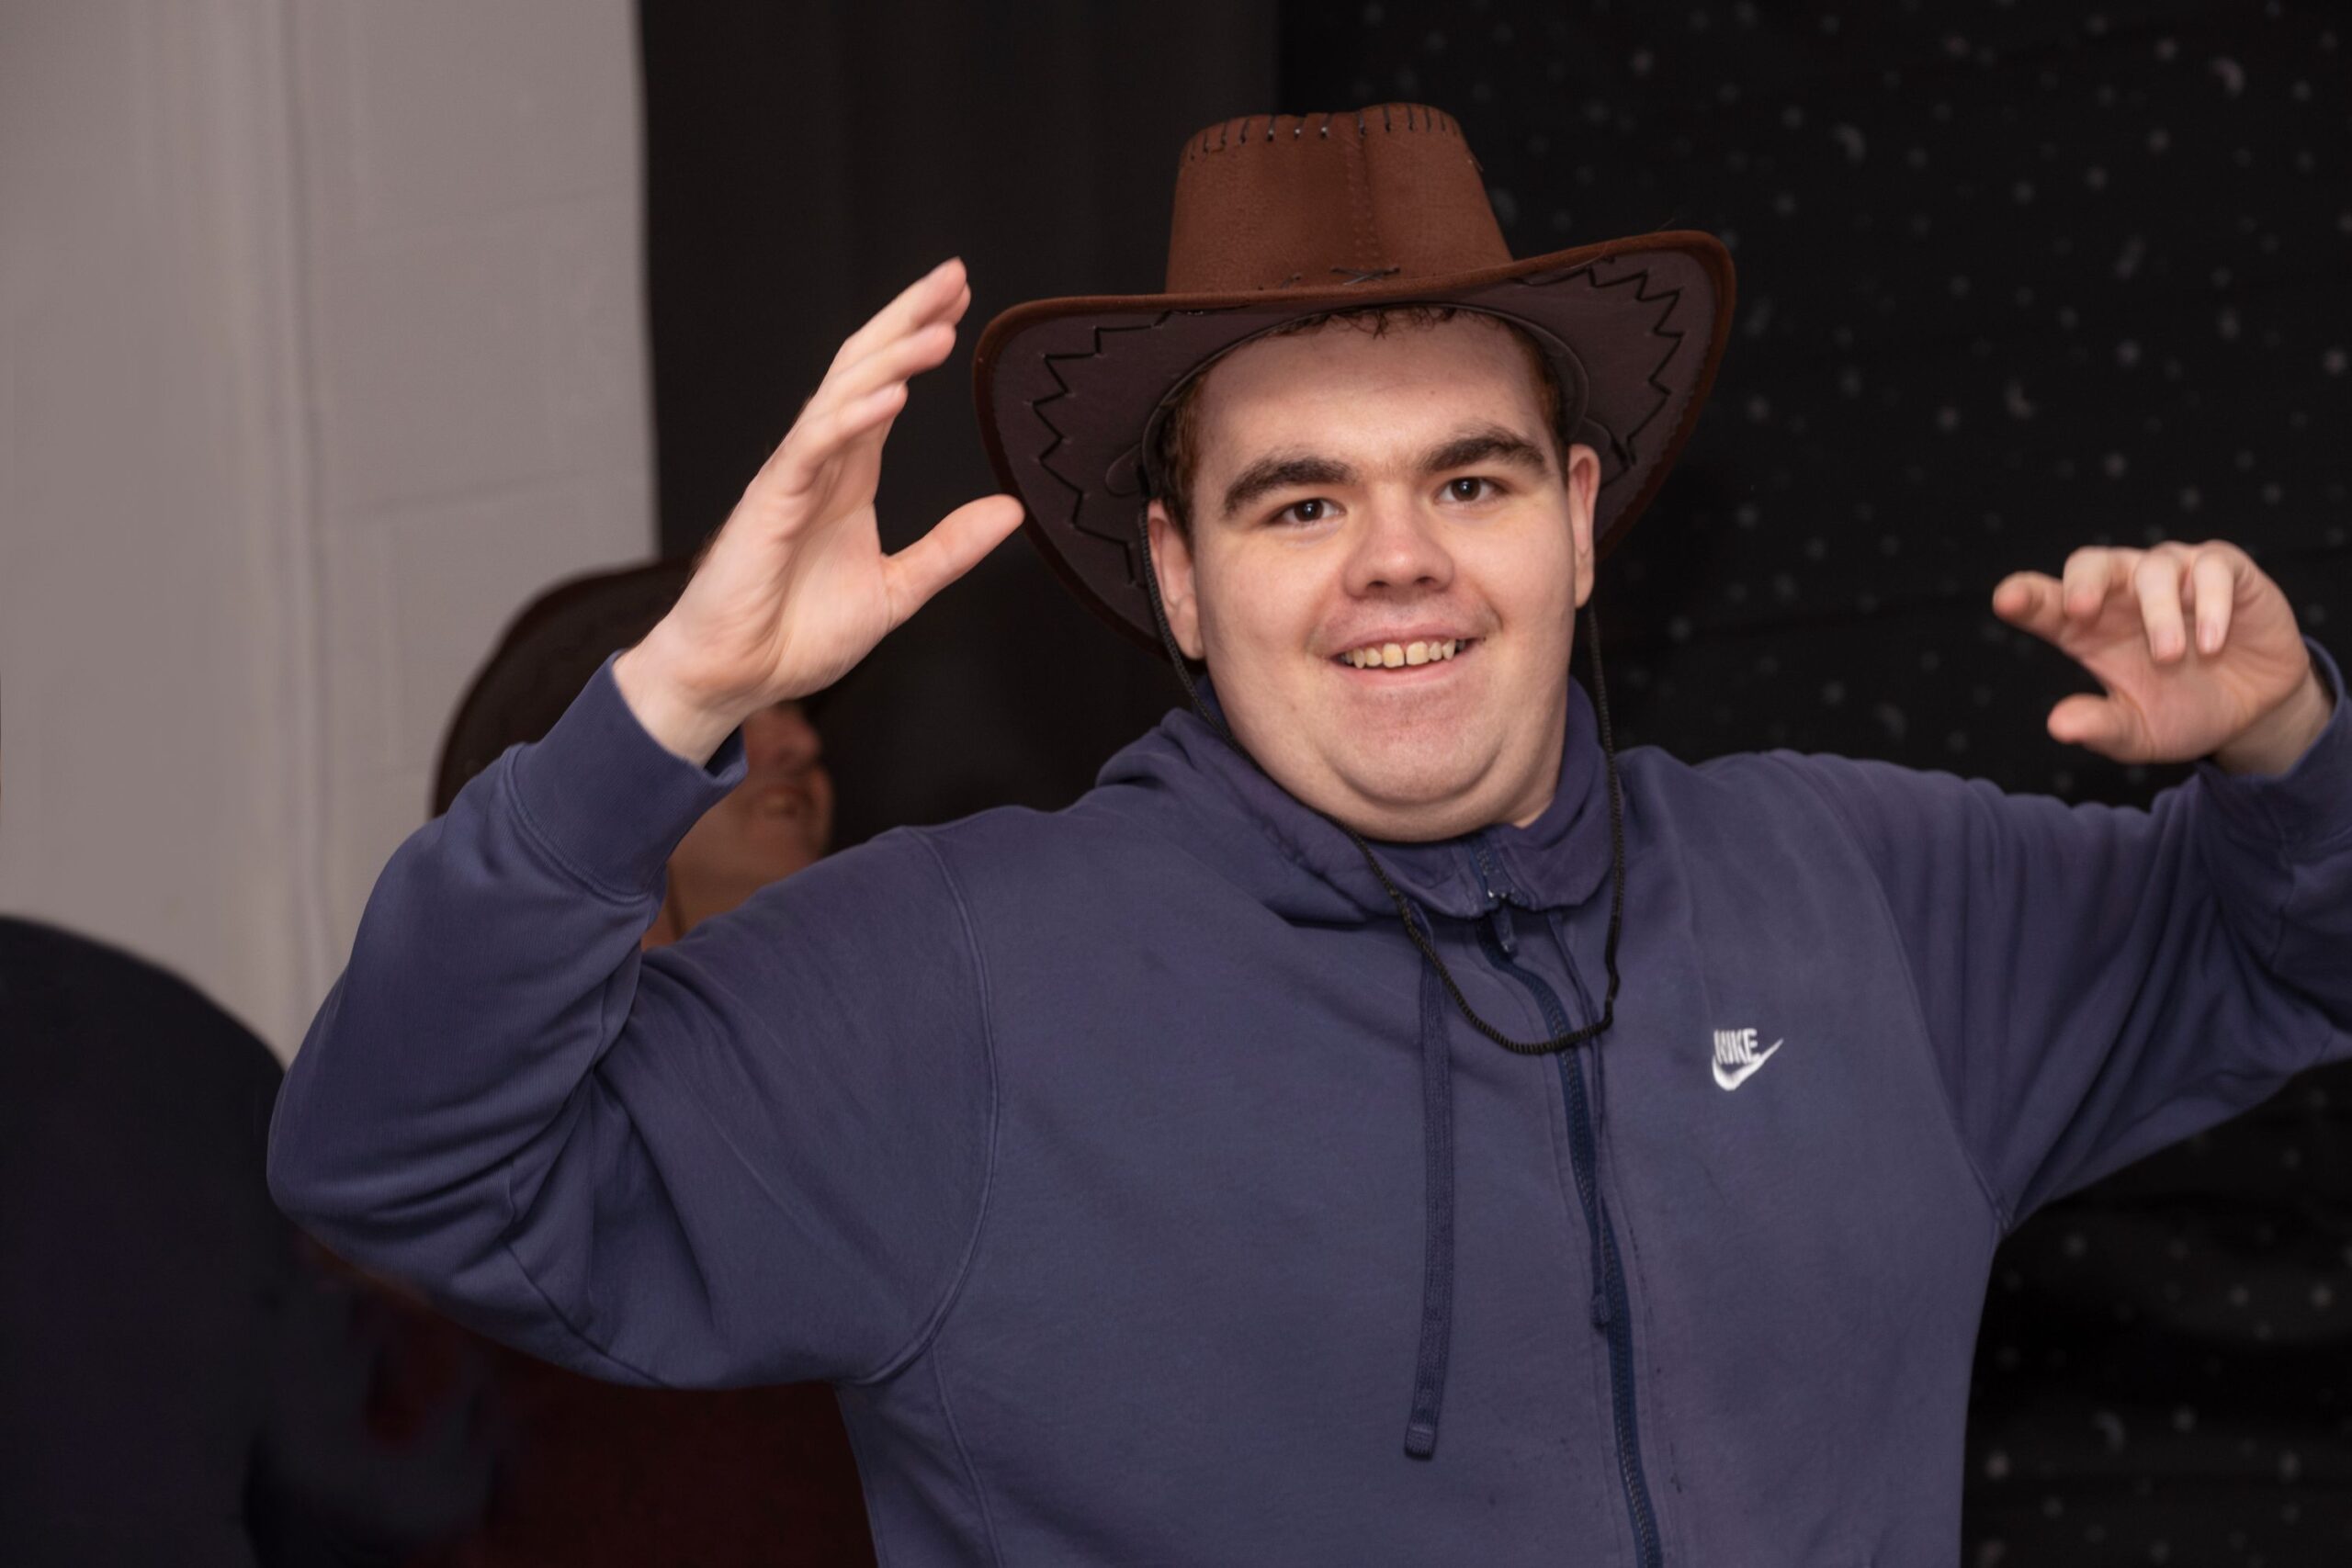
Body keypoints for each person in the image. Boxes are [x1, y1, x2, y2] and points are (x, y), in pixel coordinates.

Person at [269, 104, 2349, 1564]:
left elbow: (2294, 951)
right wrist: (665, 707)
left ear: (1574, 517)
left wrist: (2282, 746)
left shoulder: (1864, 897)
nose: (1394, 564)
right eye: (1295, 500)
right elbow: (396, 1162)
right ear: (1176, 577)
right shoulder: (955, 982)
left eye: (1465, 479)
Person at [393, 559, 871, 1566]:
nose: (801, 740)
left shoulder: (892, 1098)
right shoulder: (487, 1178)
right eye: (741, 708)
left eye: (794, 706)